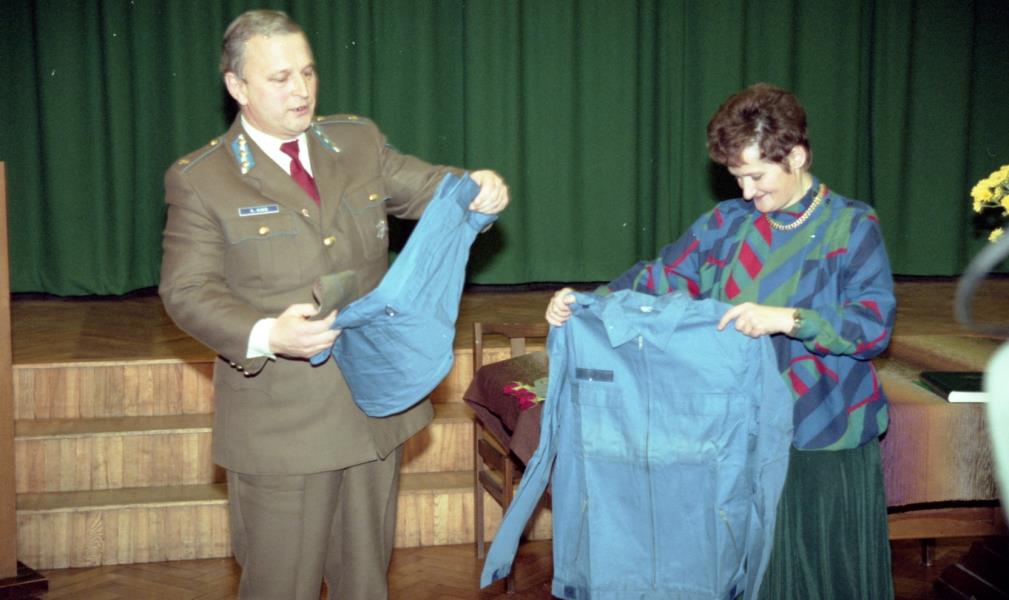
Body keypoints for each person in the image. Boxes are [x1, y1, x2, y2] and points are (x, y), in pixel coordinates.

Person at [158, 9, 508, 600]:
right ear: (237, 86)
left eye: (308, 72)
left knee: (366, 583)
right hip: (283, 422)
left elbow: (430, 188)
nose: (300, 90)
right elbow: (186, 291)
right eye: (279, 78)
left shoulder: (355, 141)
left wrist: (477, 187)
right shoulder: (203, 178)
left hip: (372, 406)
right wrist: (269, 334)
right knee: (280, 587)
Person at [546, 83, 896, 599]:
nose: (747, 193)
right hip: (740, 437)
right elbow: (658, 279)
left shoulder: (850, 225)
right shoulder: (726, 225)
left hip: (821, 437)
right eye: (738, 178)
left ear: (797, 157)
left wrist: (789, 319)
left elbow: (873, 326)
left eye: (757, 176)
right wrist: (587, 302)